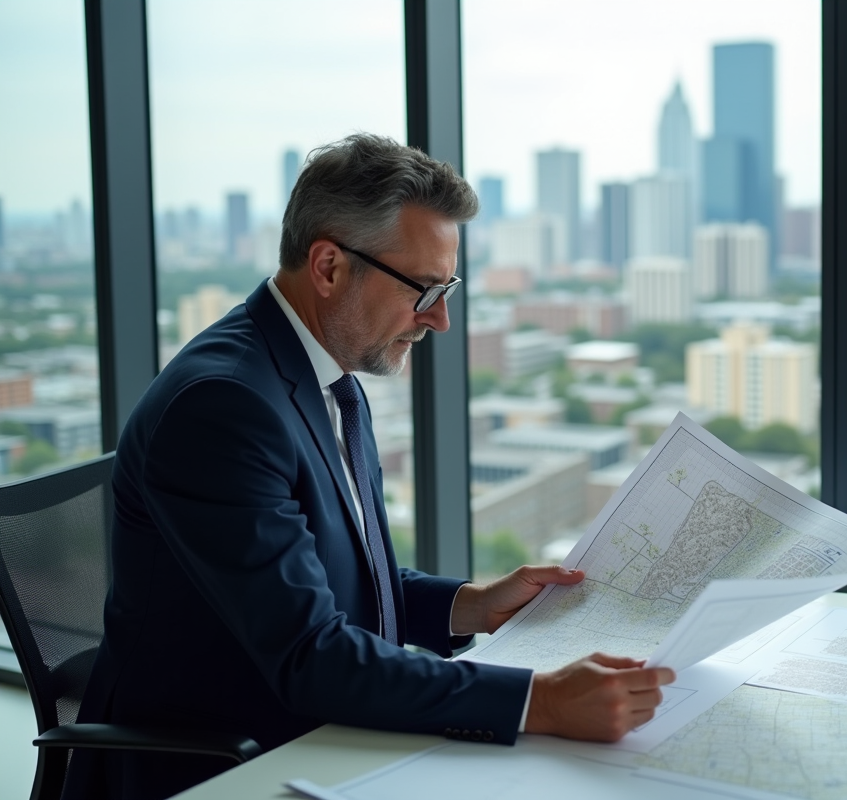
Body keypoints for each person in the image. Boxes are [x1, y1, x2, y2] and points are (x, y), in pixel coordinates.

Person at [65, 134, 674, 800]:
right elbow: (311, 656)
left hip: (319, 732)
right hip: (223, 762)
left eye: (449, 287)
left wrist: (471, 606)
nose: (440, 319)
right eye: (425, 289)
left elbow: (332, 577)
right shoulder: (224, 407)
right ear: (328, 266)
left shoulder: (326, 376)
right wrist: (544, 702)